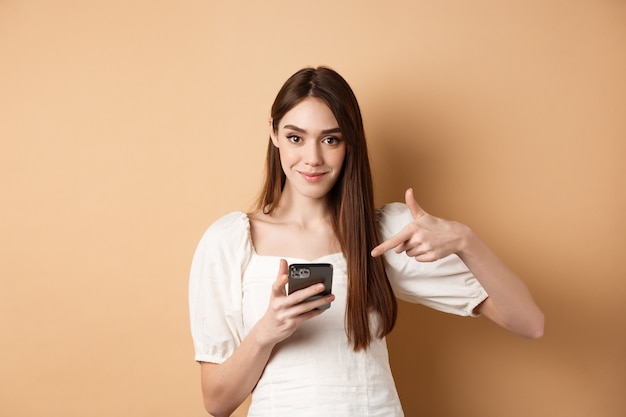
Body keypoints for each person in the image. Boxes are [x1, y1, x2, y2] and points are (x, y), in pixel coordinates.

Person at [188, 66, 544, 417]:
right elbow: (217, 403)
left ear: (349, 142)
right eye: (296, 137)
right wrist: (266, 332)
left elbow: (529, 323)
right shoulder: (230, 240)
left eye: (331, 139)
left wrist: (466, 240)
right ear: (274, 133)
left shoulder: (384, 234)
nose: (312, 158)